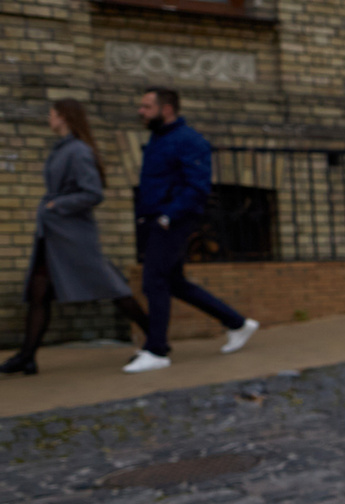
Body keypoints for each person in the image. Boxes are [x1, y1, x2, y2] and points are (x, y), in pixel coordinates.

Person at [3, 100, 149, 376]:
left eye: (51, 114)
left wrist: (56, 205)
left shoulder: (78, 151)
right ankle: (27, 356)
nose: (48, 118)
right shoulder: (63, 148)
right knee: (39, 292)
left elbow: (93, 193)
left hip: (72, 236)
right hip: (53, 234)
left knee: (111, 286)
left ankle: (155, 336)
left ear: (63, 117)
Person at [127, 88, 255, 374]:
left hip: (172, 220)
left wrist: (167, 216)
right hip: (155, 219)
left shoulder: (189, 140)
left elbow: (198, 186)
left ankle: (157, 350)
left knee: (154, 282)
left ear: (167, 109)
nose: (141, 112)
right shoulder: (159, 138)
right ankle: (237, 323)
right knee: (174, 282)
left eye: (147, 106)